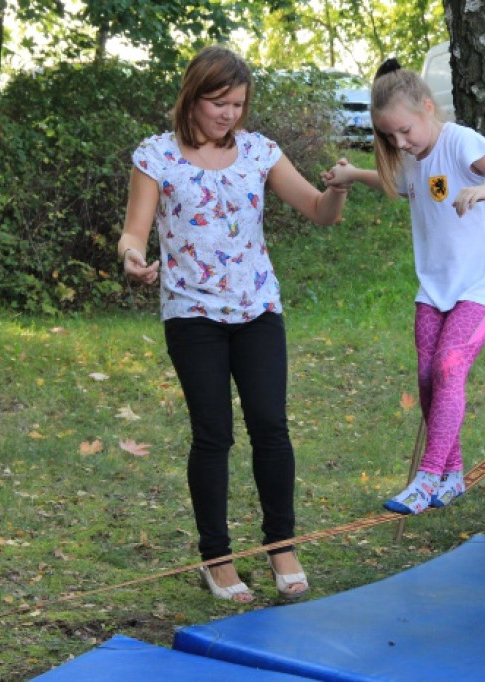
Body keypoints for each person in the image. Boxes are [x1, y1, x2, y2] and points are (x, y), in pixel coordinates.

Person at [118, 46, 349, 603]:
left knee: (271, 426)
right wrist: (131, 259)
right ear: (192, 98)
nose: (229, 114)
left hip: (257, 310)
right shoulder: (156, 156)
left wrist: (339, 186)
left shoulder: (260, 153)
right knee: (214, 434)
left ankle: (281, 545)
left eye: (238, 104)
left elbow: (319, 211)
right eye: (219, 103)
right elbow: (134, 232)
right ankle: (217, 557)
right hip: (192, 314)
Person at [322, 59, 485, 514]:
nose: (400, 142)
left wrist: (484, 191)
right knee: (426, 375)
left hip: (481, 285)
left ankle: (427, 477)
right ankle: (452, 475)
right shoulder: (412, 159)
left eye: (405, 131)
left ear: (427, 108)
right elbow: (395, 184)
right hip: (435, 287)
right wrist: (352, 175)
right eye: (389, 136)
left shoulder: (459, 141)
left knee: (449, 367)